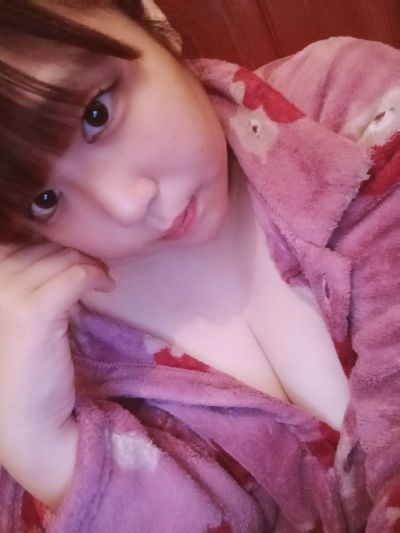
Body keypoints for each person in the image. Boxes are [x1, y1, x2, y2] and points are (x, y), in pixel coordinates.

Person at [0, 1, 399, 531]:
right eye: (44, 200)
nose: (126, 204)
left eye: (96, 113)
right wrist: (45, 453)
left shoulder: (348, 110)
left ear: (149, 19)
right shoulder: (41, 360)